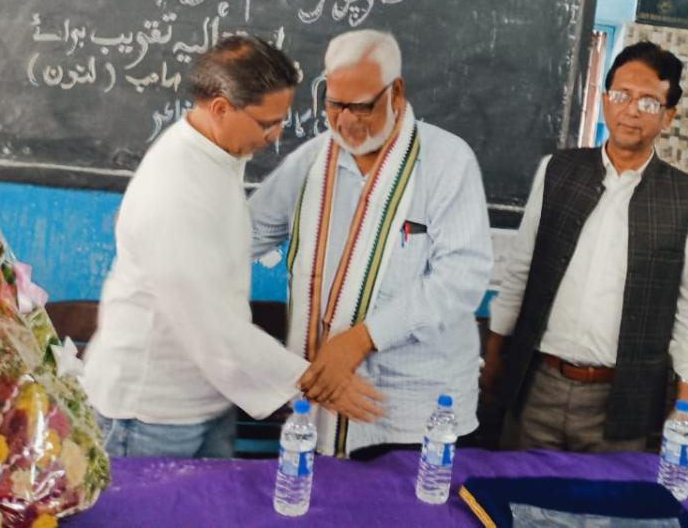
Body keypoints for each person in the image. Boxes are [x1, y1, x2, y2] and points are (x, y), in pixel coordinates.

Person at [83, 35, 382, 459]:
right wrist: (311, 382)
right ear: (221, 108)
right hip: (149, 414)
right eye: (266, 124)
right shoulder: (174, 193)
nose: (276, 136)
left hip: (206, 395)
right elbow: (213, 330)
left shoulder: (213, 150)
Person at [248, 29, 493, 459]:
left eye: (361, 106)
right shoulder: (311, 162)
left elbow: (460, 279)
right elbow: (246, 234)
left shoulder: (447, 161)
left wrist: (362, 338)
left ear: (395, 92)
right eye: (334, 105)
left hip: (417, 413)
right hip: (324, 405)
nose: (346, 121)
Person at [483, 40, 688, 452]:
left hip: (624, 402)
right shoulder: (558, 171)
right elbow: (520, 269)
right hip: (537, 387)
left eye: (648, 101)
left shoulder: (687, 198)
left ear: (668, 116)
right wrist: (495, 354)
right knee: (517, 487)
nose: (631, 110)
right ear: (606, 100)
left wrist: (685, 404)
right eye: (622, 95)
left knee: (606, 495)